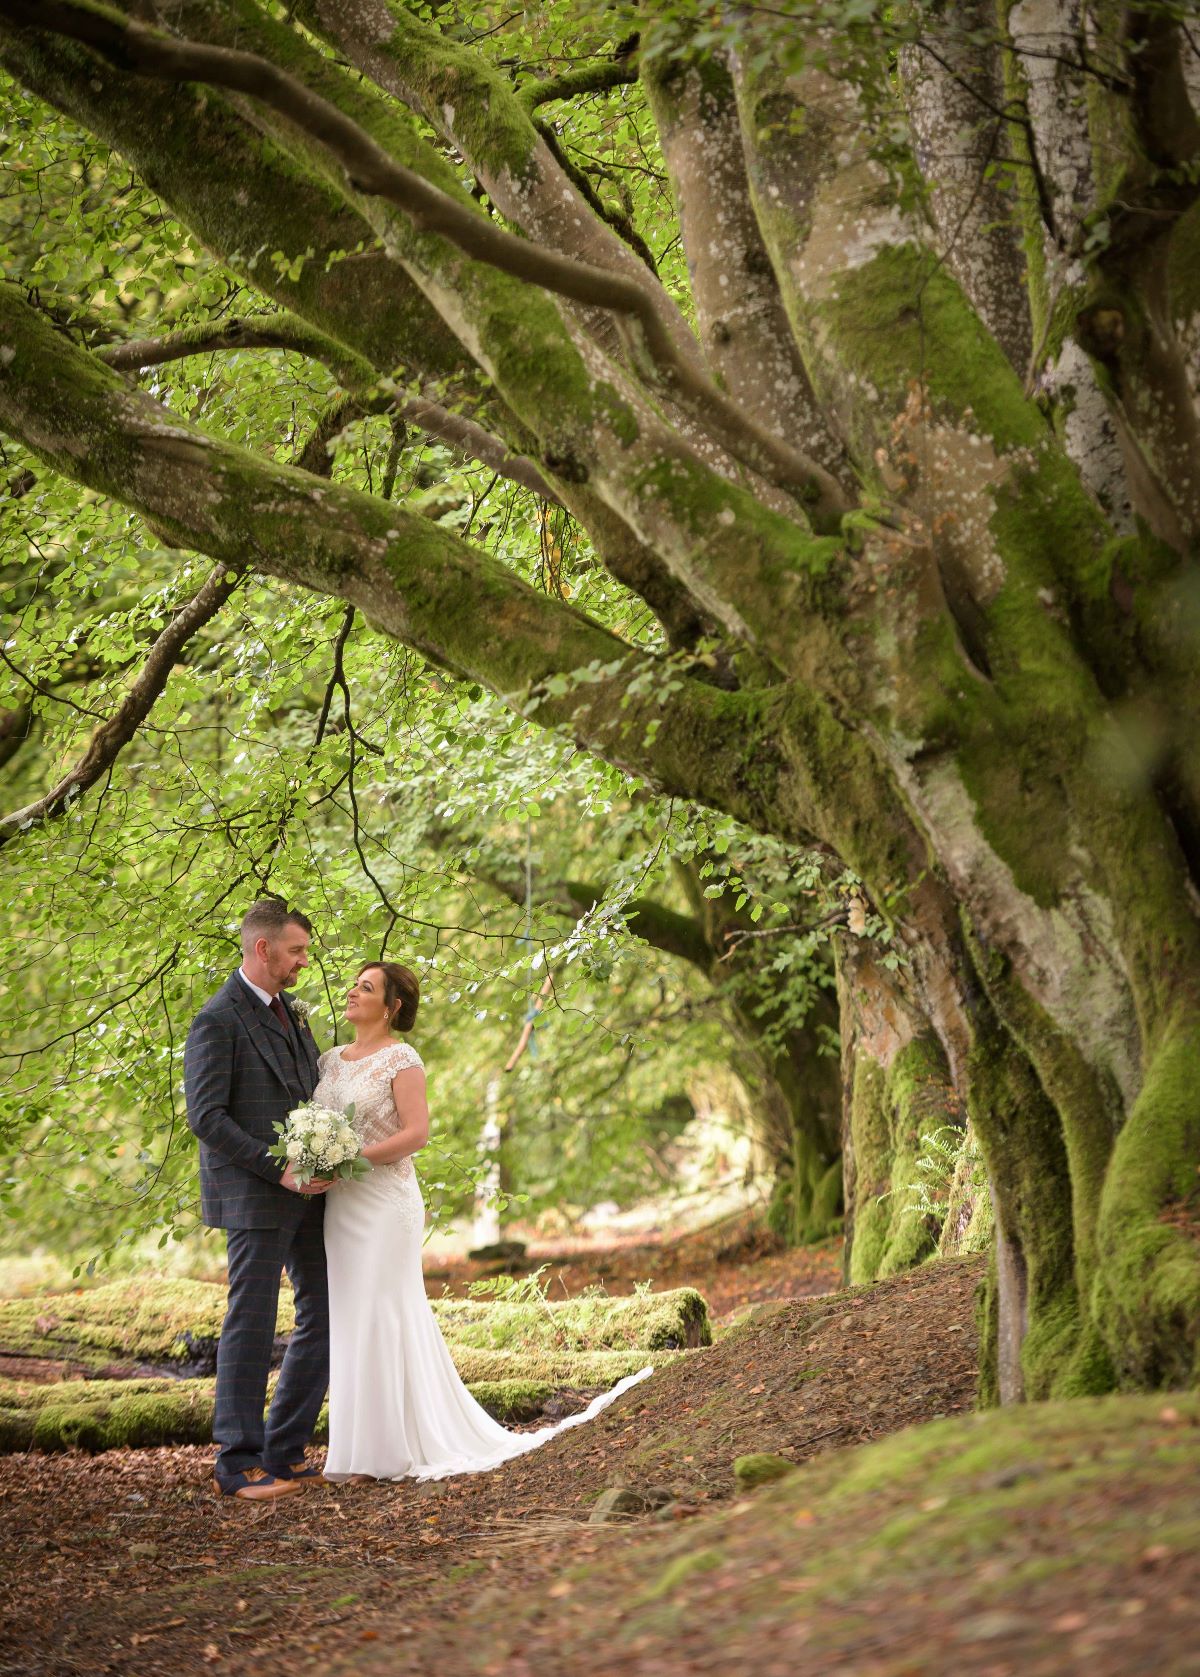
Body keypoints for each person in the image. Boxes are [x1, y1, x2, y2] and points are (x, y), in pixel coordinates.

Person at [317, 959, 651, 1482]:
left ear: (392, 1006)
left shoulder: (402, 1059)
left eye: (367, 987)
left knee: (384, 1312)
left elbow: (416, 1134)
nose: (353, 993)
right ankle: (356, 1448)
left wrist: (353, 1160)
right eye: (354, 985)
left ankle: (384, 1454)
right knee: (352, 1315)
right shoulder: (329, 1061)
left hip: (385, 1203)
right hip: (342, 1208)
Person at [184, 899, 329, 1502]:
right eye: (295, 951)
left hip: (310, 1193)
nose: (303, 962)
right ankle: (236, 1460)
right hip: (254, 1193)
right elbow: (207, 1118)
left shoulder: (291, 1013)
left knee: (329, 1309)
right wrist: (282, 1169)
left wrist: (328, 1156)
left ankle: (284, 1447)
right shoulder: (216, 1020)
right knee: (251, 1318)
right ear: (262, 948)